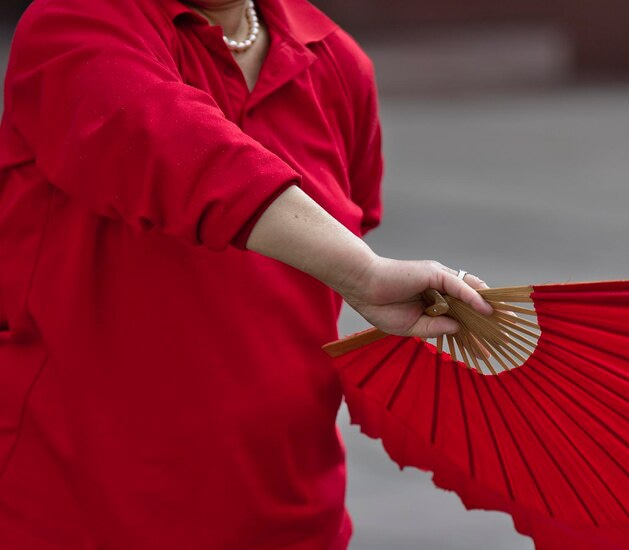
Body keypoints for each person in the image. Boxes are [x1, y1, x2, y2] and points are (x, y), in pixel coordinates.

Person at [0, 0, 491, 548]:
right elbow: (169, 144)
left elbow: (317, 266)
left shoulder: (335, 60)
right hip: (84, 505)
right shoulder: (73, 22)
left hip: (290, 506)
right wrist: (364, 274)